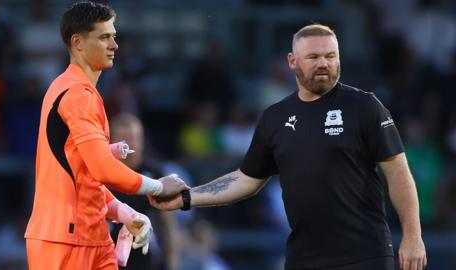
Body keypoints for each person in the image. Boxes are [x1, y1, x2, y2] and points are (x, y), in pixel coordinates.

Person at [150, 23, 427, 270]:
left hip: (365, 255)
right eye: (314, 57)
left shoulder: (365, 106)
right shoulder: (275, 118)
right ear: (292, 61)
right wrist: (187, 197)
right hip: (303, 258)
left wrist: (413, 236)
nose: (323, 64)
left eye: (331, 56)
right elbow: (247, 180)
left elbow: (398, 173)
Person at [24, 2, 188, 270]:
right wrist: (158, 186)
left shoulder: (81, 92)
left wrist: (125, 212)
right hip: (65, 242)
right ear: (78, 43)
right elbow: (103, 169)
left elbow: (86, 177)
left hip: (92, 237)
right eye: (104, 37)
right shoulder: (76, 94)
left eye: (114, 36)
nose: (115, 45)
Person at [109, 113, 180, 270]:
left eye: (133, 137)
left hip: (145, 254)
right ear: (112, 141)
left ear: (142, 141)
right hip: (107, 253)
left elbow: (168, 222)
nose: (129, 143)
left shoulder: (154, 173)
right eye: (123, 138)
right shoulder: (102, 173)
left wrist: (172, 261)